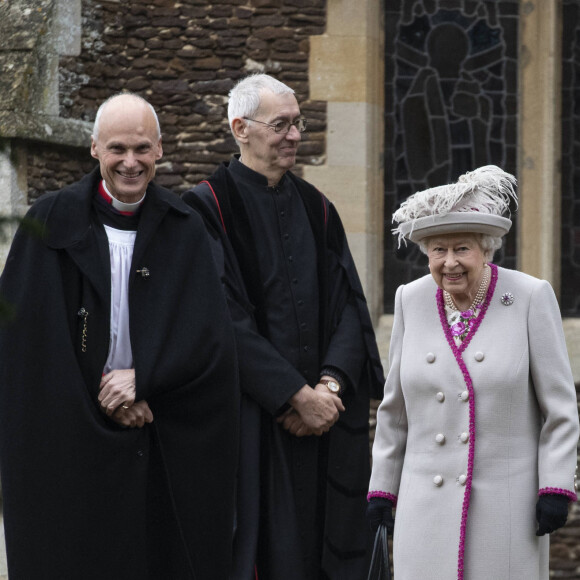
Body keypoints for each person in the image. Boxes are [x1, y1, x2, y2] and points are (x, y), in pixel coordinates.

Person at [0, 93, 239, 579]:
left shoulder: (186, 229)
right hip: (70, 447)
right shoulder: (48, 223)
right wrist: (104, 400)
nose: (130, 162)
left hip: (160, 437)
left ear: (159, 151)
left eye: (141, 149)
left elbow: (210, 342)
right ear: (94, 149)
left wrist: (147, 381)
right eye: (117, 149)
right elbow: (28, 349)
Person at [182, 74, 385, 580]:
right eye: (281, 125)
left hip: (323, 428)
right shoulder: (204, 209)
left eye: (298, 123)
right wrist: (295, 395)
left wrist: (329, 387)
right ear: (240, 129)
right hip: (252, 425)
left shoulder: (317, 207)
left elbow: (349, 307)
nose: (295, 135)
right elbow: (221, 320)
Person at [367, 165, 580, 579]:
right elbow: (394, 412)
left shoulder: (529, 297)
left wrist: (555, 485)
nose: (449, 263)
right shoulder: (410, 299)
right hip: (423, 505)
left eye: (461, 248)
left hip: (505, 507)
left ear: (486, 248)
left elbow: (560, 408)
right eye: (437, 250)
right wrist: (382, 488)